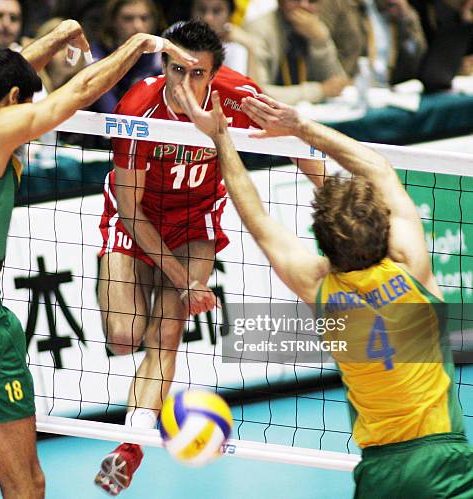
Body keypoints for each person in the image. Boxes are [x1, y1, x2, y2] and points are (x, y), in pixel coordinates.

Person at [0, 18, 197, 498]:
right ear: (13, 100)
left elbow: (7, 74)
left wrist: (63, 34)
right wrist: (136, 47)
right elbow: (78, 92)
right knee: (26, 486)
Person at [174, 79, 473, 498]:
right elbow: (379, 169)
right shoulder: (410, 266)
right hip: (443, 461)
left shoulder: (319, 287)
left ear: (326, 250)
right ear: (384, 232)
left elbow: (258, 221)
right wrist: (301, 126)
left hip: (380, 471)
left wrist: (220, 136)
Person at [93, 19, 324, 496]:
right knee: (122, 336)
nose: (184, 84)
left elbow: (294, 143)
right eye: (175, 70)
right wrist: (181, 278)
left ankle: (128, 449)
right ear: (163, 65)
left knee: (167, 334)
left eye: (197, 73)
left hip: (196, 219)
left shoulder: (237, 95)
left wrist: (332, 192)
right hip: (135, 218)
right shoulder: (138, 108)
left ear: (215, 73)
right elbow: (131, 211)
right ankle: (142, 413)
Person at [242, 0, 349, 104]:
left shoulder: (316, 27)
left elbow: (338, 84)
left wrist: (320, 41)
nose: (303, 5)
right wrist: (319, 91)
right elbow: (257, 93)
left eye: (312, 1)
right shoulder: (258, 29)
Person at [89, 0, 162, 114]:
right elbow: (111, 112)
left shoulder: (162, 58)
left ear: (154, 21)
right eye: (128, 18)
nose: (137, 26)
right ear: (113, 21)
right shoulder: (97, 53)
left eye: (144, 18)